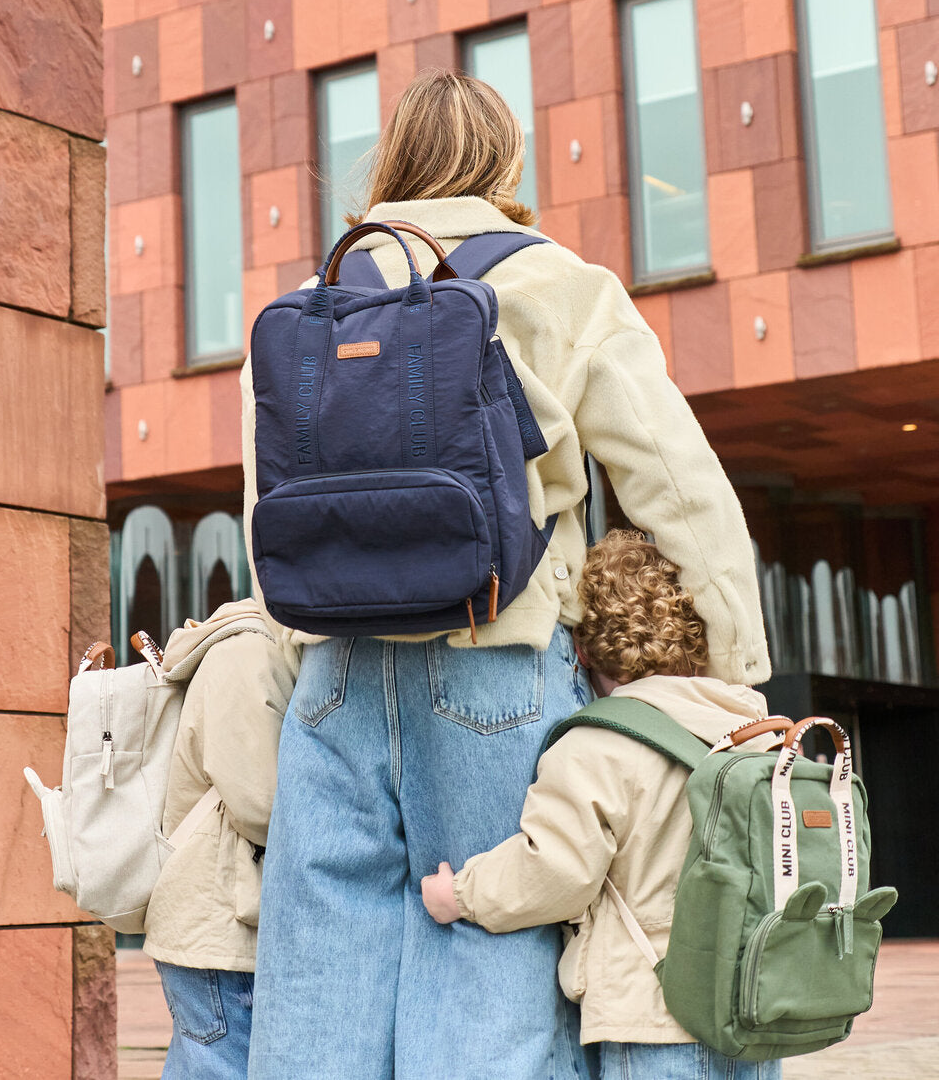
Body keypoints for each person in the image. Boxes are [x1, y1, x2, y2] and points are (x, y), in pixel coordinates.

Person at [241, 71, 770, 1079]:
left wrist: (290, 656)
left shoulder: (313, 300)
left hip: (333, 668)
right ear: (507, 163)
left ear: (387, 160)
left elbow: (271, 501)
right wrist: (732, 670)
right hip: (495, 657)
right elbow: (675, 484)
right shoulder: (561, 284)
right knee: (486, 951)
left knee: (321, 976)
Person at [421, 530, 780, 1080]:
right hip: (755, 1003)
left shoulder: (598, 745)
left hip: (658, 1011)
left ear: (583, 650)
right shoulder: (753, 729)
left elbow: (557, 868)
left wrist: (458, 895)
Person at [143, 600, 298, 1079]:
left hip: (218, 924)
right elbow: (261, 804)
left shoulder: (259, 648)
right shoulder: (246, 652)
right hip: (222, 932)